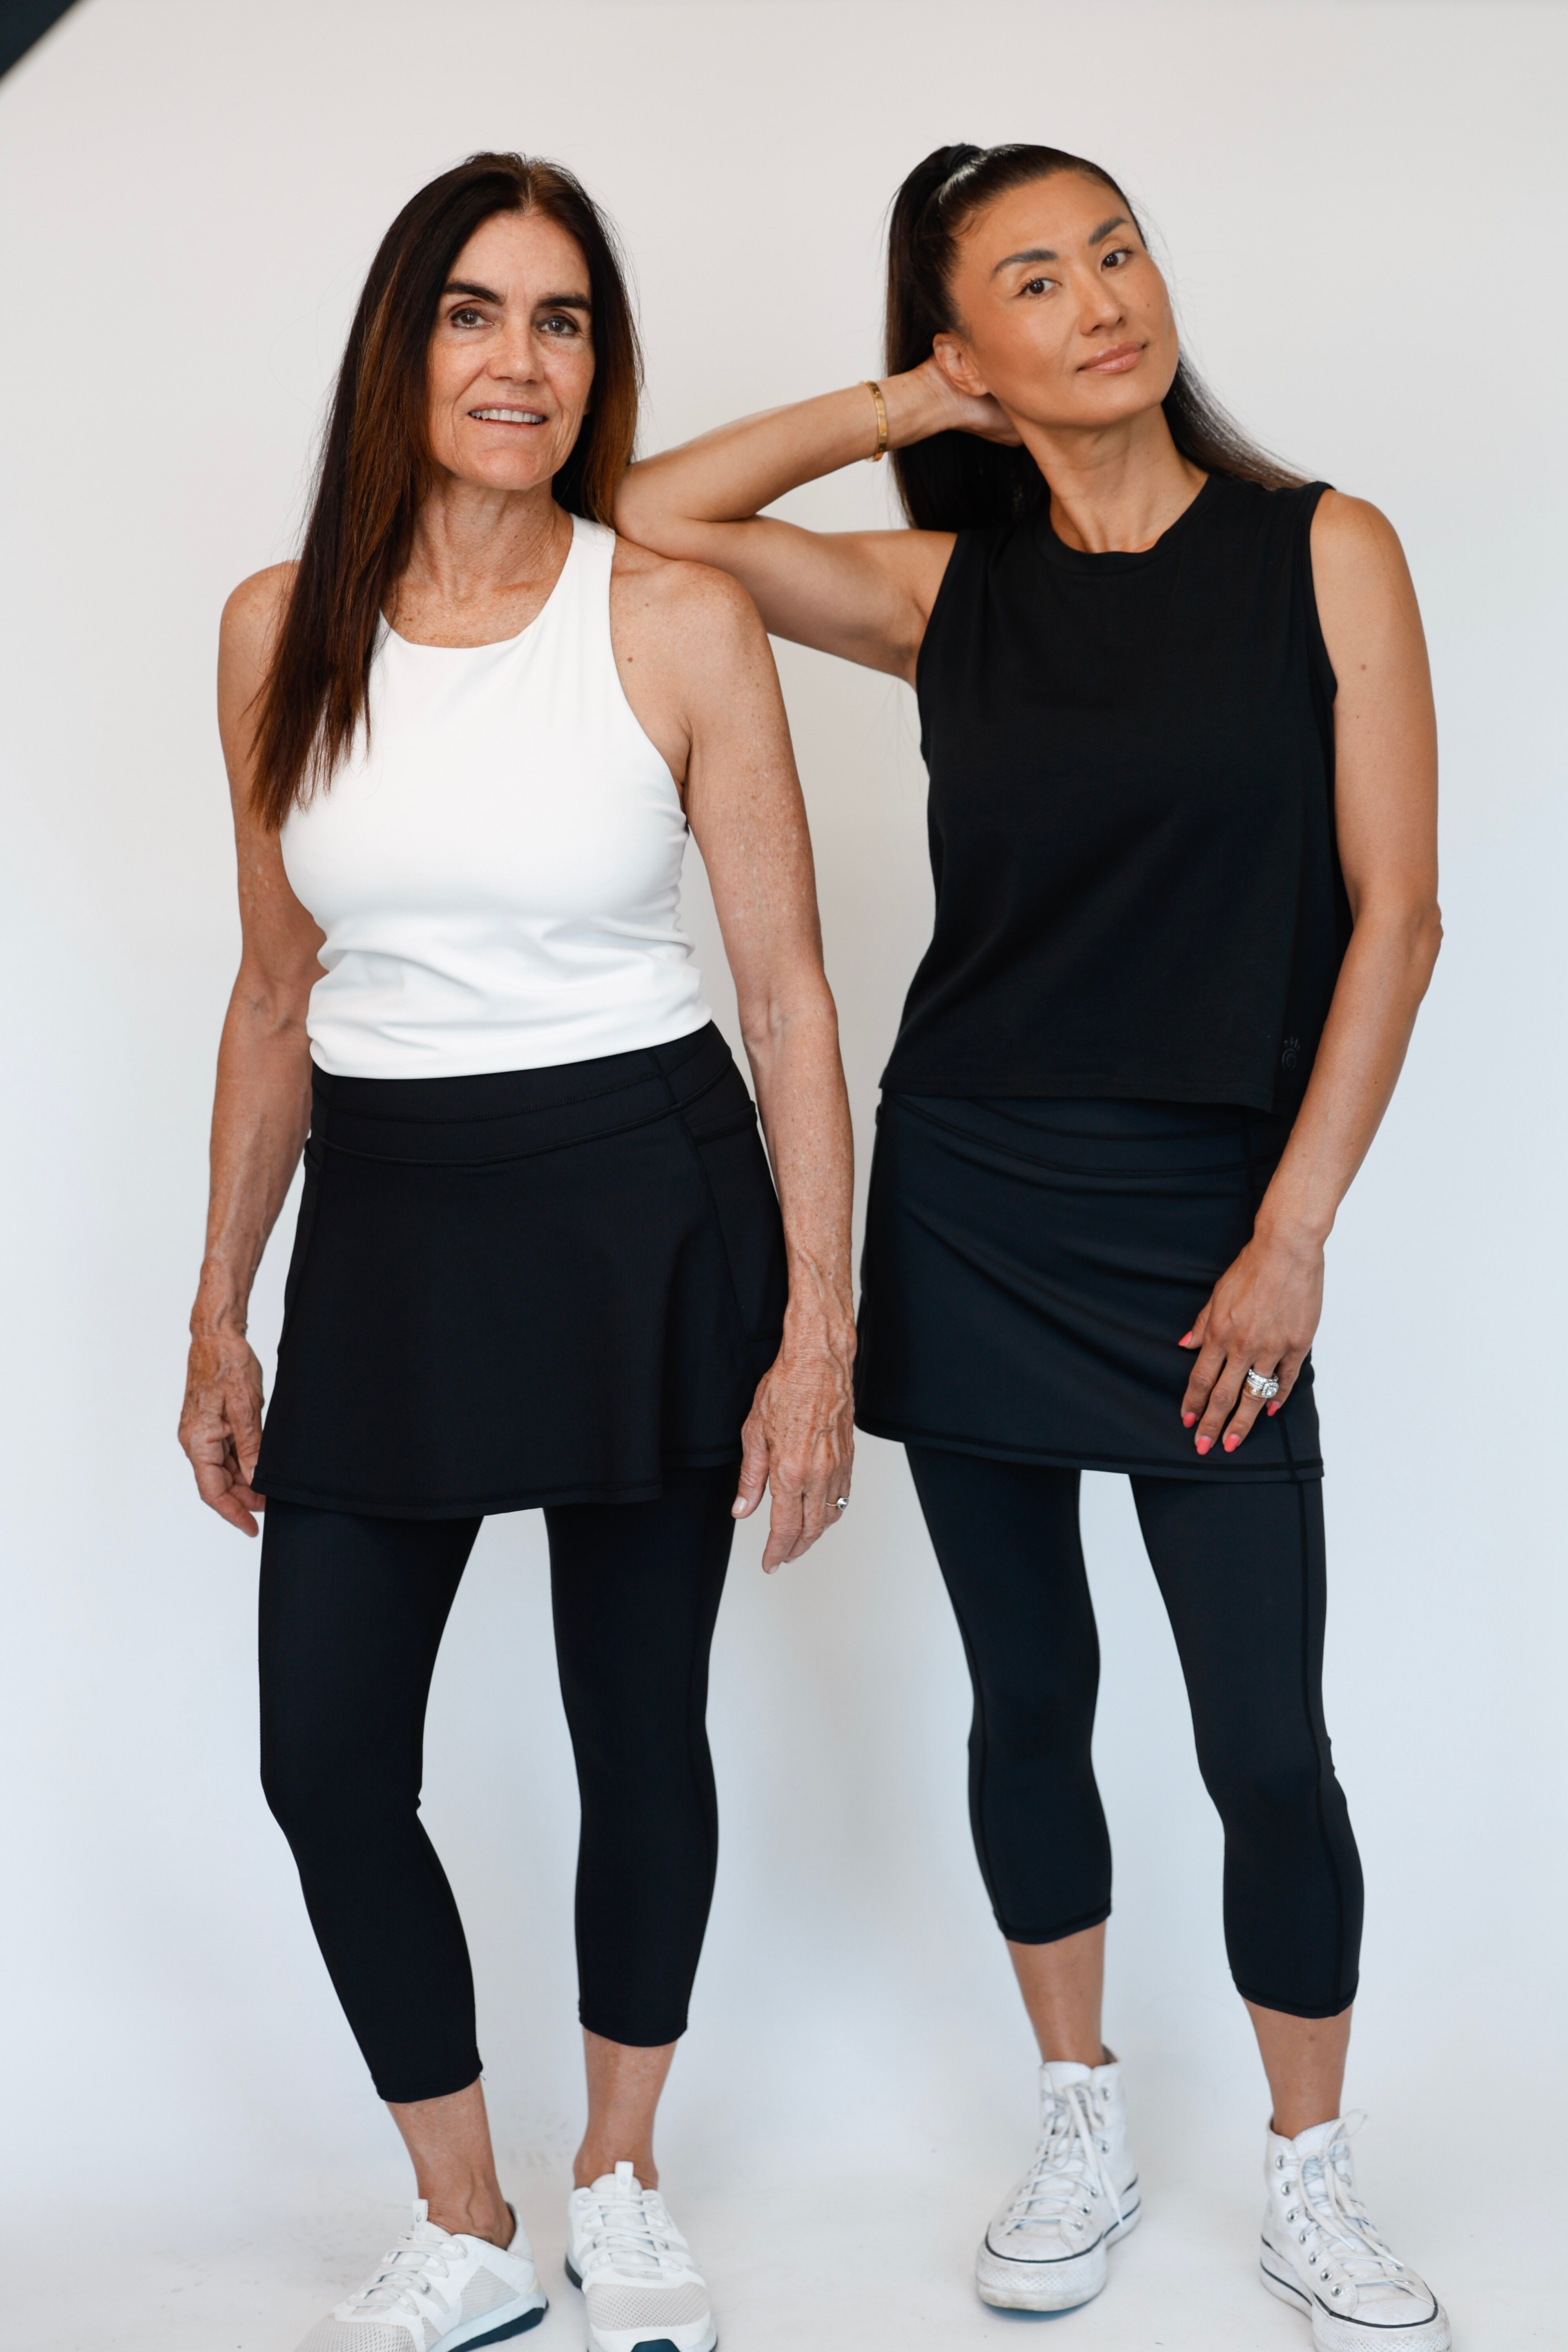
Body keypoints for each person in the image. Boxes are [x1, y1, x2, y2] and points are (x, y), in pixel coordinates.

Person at [616, 141, 1446, 2350]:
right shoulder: (943, 598)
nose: (1101, 304)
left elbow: (1401, 913)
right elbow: (650, 510)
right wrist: (905, 417)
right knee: (1034, 1695)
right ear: (967, 337)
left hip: (1210, 1221)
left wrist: (1293, 1233)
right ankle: (1075, 2111)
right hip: (975, 1197)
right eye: (1032, 284)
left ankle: (1311, 2169)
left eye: (1118, 252)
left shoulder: (1322, 551)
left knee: (1266, 1734)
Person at [178, 152, 855, 2352]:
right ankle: (466, 2220)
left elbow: (790, 998)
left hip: (650, 1205)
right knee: (324, 1753)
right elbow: (275, 989)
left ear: (597, 363)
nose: (522, 360)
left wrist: (818, 1330)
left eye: (563, 321)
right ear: (403, 341)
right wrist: (217, 1303)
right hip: (384, 1222)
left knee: (631, 1724)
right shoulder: (279, 630)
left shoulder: (668, 618)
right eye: (477, 313)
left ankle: (621, 2184)